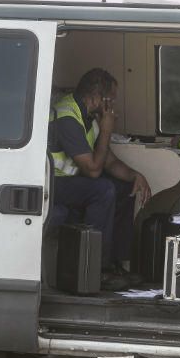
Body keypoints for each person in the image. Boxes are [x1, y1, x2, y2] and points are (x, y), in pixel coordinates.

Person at [49, 68, 151, 291]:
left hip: (70, 182)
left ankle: (115, 263)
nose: (113, 106)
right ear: (97, 97)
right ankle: (97, 268)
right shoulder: (67, 116)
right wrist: (106, 130)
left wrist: (135, 175)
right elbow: (93, 170)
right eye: (111, 99)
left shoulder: (89, 117)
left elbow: (109, 162)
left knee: (124, 187)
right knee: (102, 188)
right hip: (50, 184)